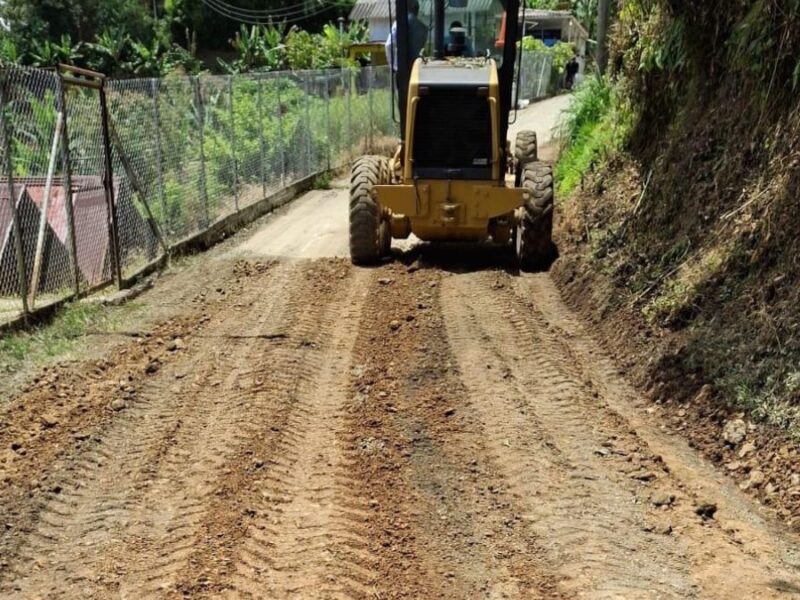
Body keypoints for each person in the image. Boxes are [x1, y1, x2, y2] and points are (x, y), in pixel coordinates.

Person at [384, 0, 429, 72]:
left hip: (402, 69)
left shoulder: (399, 23)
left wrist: (394, 66)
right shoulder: (423, 28)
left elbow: (389, 45)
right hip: (416, 69)